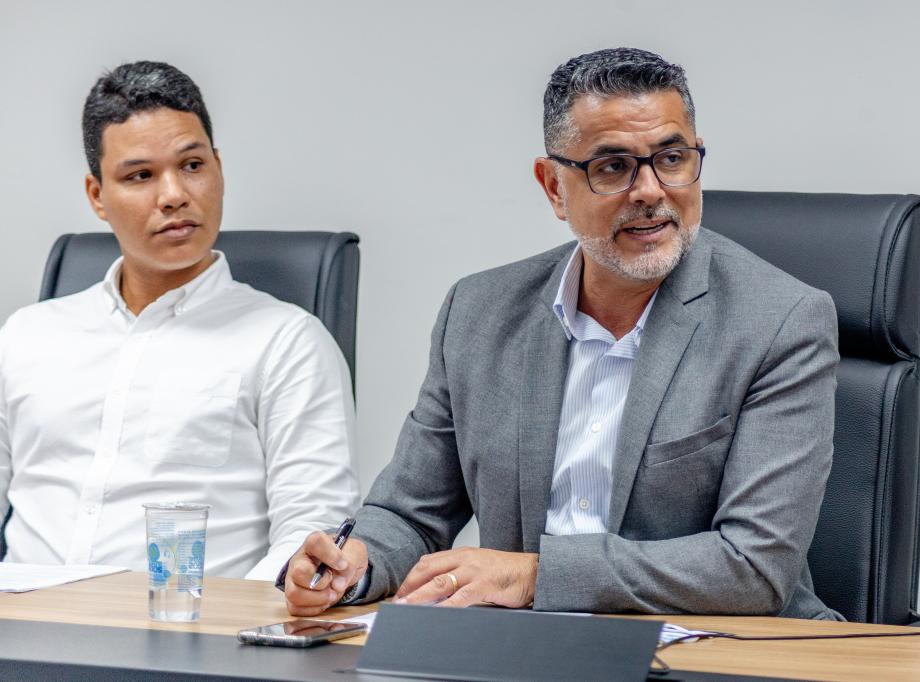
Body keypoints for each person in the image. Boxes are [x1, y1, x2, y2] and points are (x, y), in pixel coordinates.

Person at [282, 47, 841, 618]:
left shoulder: (780, 321)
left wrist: (535, 576)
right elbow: (409, 513)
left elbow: (754, 565)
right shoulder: (477, 313)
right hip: (524, 648)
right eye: (613, 167)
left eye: (672, 159)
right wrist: (353, 565)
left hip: (725, 649)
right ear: (553, 186)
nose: (650, 190)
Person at [0, 61, 359, 579]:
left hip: (191, 624)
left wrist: (247, 616)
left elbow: (311, 534)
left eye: (192, 165)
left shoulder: (287, 342)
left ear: (218, 169)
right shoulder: (26, 337)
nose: (174, 195)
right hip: (20, 618)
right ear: (97, 196)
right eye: (140, 176)